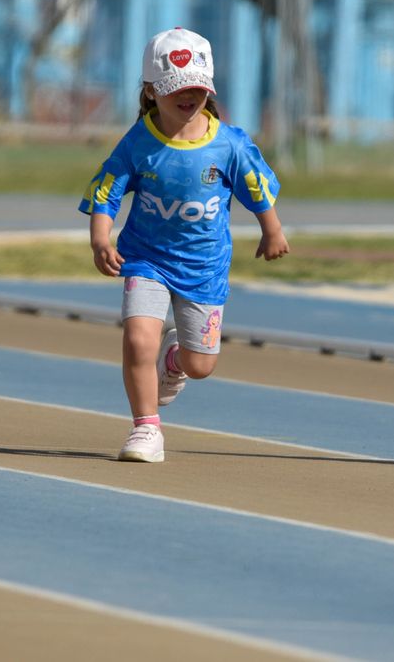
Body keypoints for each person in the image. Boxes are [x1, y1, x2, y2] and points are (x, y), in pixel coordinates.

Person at [80, 27, 290, 463]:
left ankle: (175, 361)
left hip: (204, 269)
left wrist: (272, 230)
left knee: (201, 366)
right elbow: (107, 190)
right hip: (145, 259)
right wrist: (101, 237)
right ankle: (146, 429)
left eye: (197, 88)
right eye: (177, 88)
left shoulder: (229, 144)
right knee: (138, 339)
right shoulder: (138, 142)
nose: (188, 96)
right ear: (151, 91)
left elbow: (256, 187)